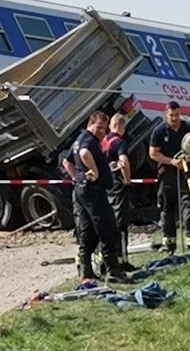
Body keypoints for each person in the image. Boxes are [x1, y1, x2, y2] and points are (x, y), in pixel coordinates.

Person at [62, 112, 130, 283]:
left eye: (104, 129)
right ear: (90, 124)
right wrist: (95, 171)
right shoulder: (88, 141)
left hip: (82, 190)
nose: (101, 131)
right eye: (98, 127)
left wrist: (77, 177)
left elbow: (67, 162)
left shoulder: (79, 139)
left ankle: (86, 271)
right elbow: (84, 153)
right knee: (107, 228)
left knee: (88, 232)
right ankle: (113, 270)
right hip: (93, 191)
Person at [148, 101, 190, 253]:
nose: (174, 118)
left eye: (177, 115)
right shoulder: (159, 131)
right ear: (166, 114)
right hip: (167, 172)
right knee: (167, 207)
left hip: (186, 171)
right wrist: (171, 161)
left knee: (188, 205)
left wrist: (189, 159)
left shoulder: (189, 128)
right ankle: (169, 242)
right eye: (171, 115)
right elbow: (153, 153)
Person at [102, 113, 136, 270]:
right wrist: (127, 180)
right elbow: (124, 162)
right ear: (122, 126)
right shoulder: (120, 143)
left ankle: (107, 259)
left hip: (104, 184)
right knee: (121, 222)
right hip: (117, 183)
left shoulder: (103, 142)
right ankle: (122, 260)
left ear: (110, 126)